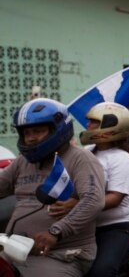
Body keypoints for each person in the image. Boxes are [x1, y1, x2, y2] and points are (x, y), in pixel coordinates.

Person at [0, 98, 105, 276]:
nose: (31, 138)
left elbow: (93, 199)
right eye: (27, 133)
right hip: (13, 250)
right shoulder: (22, 162)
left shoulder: (80, 158)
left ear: (58, 129)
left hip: (60, 255)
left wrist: (56, 232)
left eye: (38, 131)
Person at [49, 102, 129, 277]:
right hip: (82, 226)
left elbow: (115, 198)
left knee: (101, 272)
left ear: (113, 125)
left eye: (94, 122)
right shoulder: (88, 152)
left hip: (115, 228)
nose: (88, 126)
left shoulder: (123, 159)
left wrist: (76, 204)